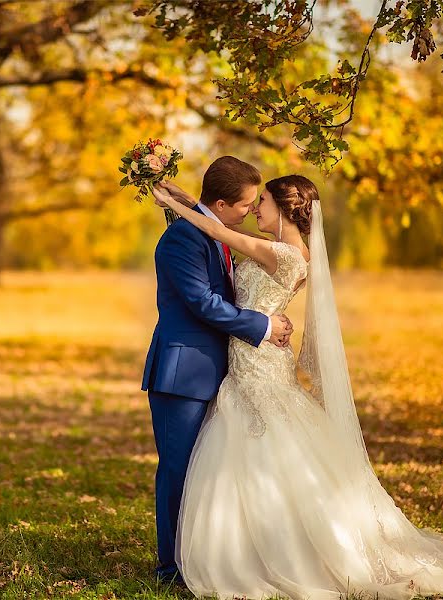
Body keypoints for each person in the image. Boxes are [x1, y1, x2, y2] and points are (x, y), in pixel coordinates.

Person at [150, 176, 443, 600]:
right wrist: (180, 195)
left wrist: (175, 205)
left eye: (262, 201)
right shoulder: (279, 248)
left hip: (260, 359)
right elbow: (218, 222)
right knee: (251, 452)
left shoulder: (284, 255)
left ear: (285, 209)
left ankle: (273, 551)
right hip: (250, 360)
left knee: (265, 452)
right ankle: (242, 546)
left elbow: (216, 228)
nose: (254, 208)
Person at [141, 156, 295, 585]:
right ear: (224, 205)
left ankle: (202, 559)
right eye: (246, 205)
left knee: (208, 473)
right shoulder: (181, 240)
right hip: (183, 374)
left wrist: (186, 200)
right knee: (178, 470)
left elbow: (223, 237)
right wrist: (263, 325)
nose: (250, 212)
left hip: (222, 372)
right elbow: (203, 303)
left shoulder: (214, 230)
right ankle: (170, 569)